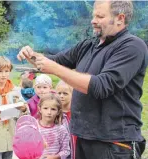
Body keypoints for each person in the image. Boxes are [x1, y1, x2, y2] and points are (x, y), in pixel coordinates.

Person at [17, 1, 148, 158]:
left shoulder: (132, 46)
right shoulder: (88, 45)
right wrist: (32, 56)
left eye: (100, 16)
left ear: (120, 18)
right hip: (84, 138)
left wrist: (55, 69)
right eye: (93, 15)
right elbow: (55, 60)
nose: (93, 20)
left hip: (115, 144)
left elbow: (102, 86)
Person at [37, 94, 70, 159]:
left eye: (53, 109)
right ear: (40, 109)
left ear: (58, 112)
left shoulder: (61, 130)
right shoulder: (33, 127)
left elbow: (66, 150)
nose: (49, 112)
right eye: (45, 108)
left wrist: (55, 157)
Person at [55, 81, 75, 159]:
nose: (61, 96)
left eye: (65, 93)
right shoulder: (54, 113)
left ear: (72, 95)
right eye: (59, 93)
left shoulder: (76, 113)